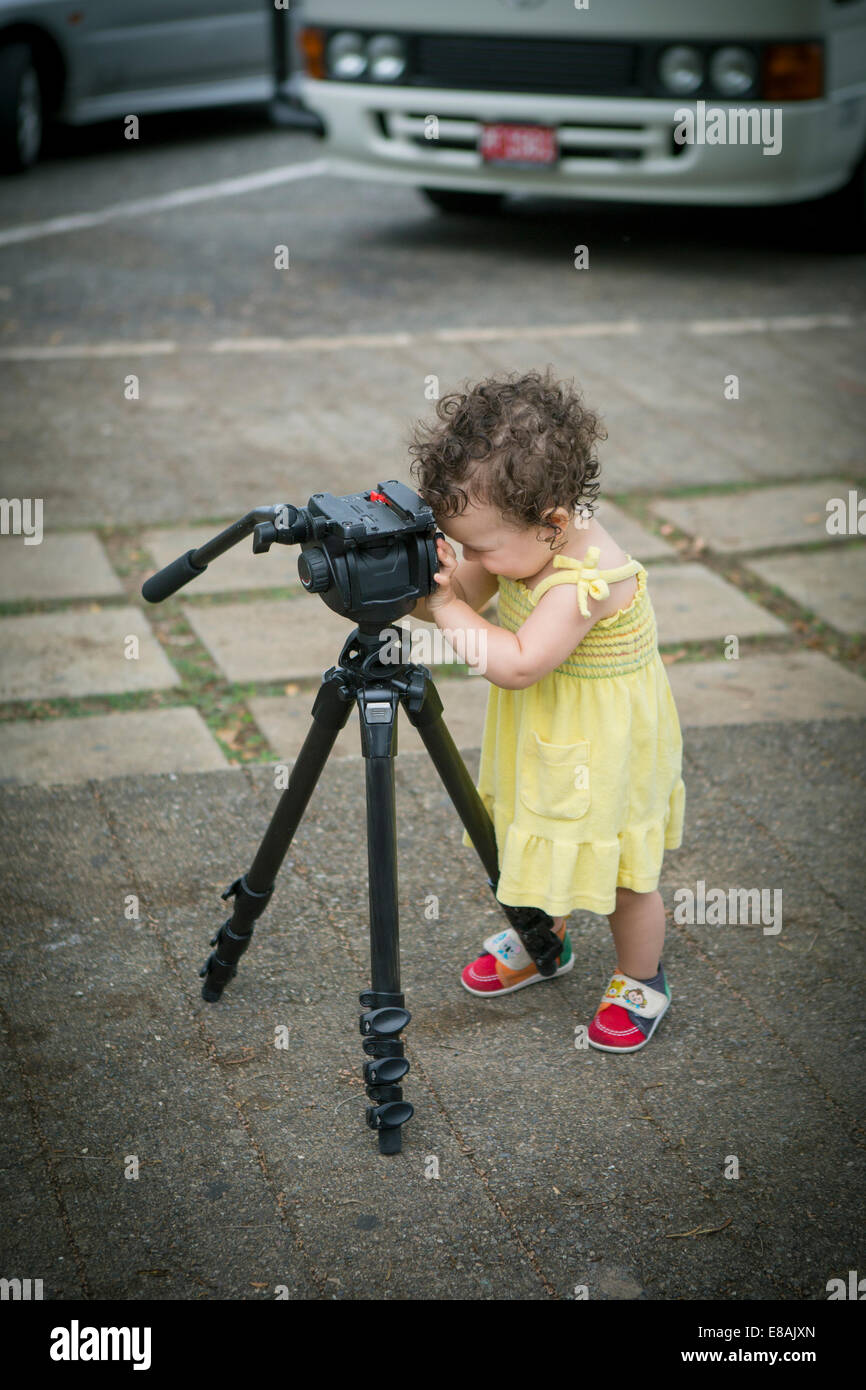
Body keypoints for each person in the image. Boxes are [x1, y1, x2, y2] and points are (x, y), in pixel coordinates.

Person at [407, 367, 686, 1052]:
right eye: (463, 543)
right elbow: (456, 598)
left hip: (604, 748)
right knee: (530, 834)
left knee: (623, 875)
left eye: (481, 548)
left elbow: (518, 664)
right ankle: (544, 938)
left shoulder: (589, 578)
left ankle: (640, 977)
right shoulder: (519, 540)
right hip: (549, 736)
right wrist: (417, 576)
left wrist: (445, 606)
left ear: (555, 522)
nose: (475, 559)